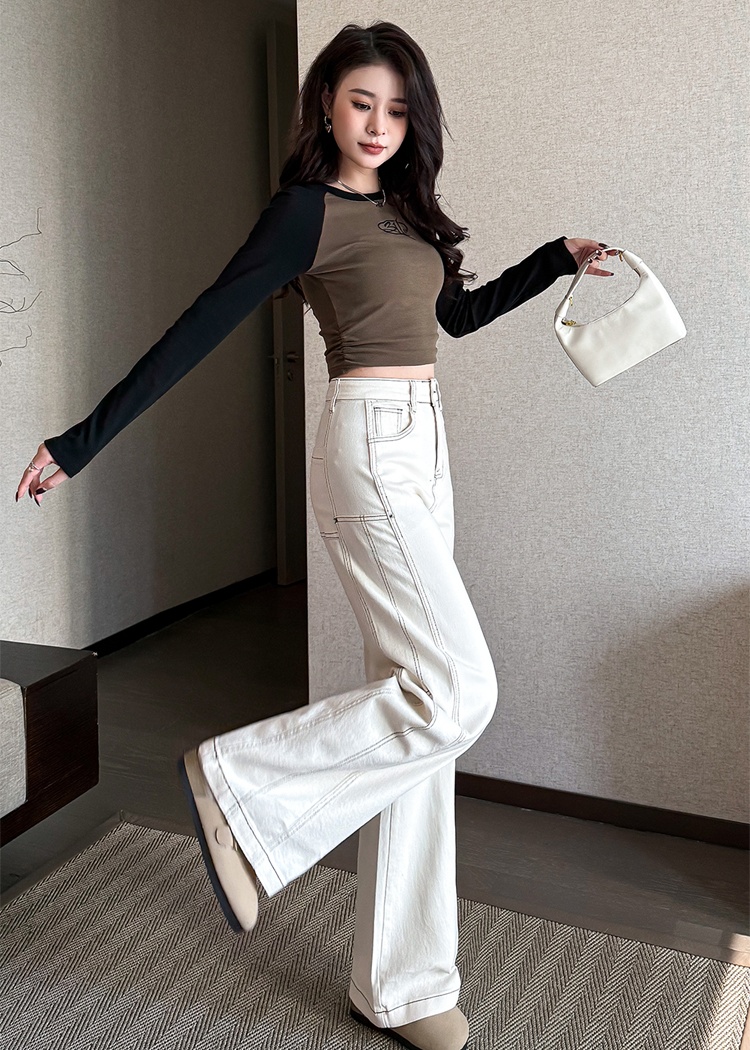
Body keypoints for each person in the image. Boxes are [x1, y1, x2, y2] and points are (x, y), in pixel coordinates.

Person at [15, 20, 616, 1050]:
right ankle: (241, 785)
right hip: (368, 448)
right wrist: (80, 441)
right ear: (326, 106)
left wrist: (553, 259)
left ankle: (403, 985)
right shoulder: (303, 214)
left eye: (396, 109)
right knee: (459, 690)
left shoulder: (406, 212)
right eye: (359, 103)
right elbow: (200, 326)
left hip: (426, 449)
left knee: (422, 709)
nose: (378, 125)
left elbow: (455, 320)